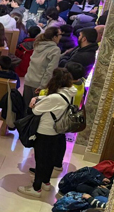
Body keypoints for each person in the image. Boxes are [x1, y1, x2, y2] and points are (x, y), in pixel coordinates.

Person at [19, 68, 77, 199]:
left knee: (41, 160)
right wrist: (41, 98)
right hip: (57, 131)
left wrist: (36, 102)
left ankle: (36, 188)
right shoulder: (69, 93)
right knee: (49, 158)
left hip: (45, 131)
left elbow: (36, 111)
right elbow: (52, 101)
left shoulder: (54, 97)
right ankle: (46, 182)